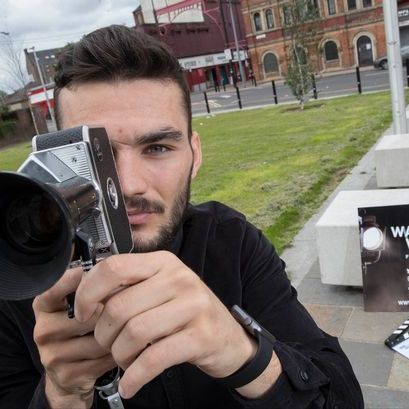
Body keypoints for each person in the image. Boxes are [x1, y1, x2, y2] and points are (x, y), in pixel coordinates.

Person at [0, 25, 363, 409]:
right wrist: (60, 395)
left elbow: (342, 397)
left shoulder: (232, 243)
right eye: (95, 155)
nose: (127, 185)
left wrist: (243, 355)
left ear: (195, 155)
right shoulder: (20, 281)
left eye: (157, 147)